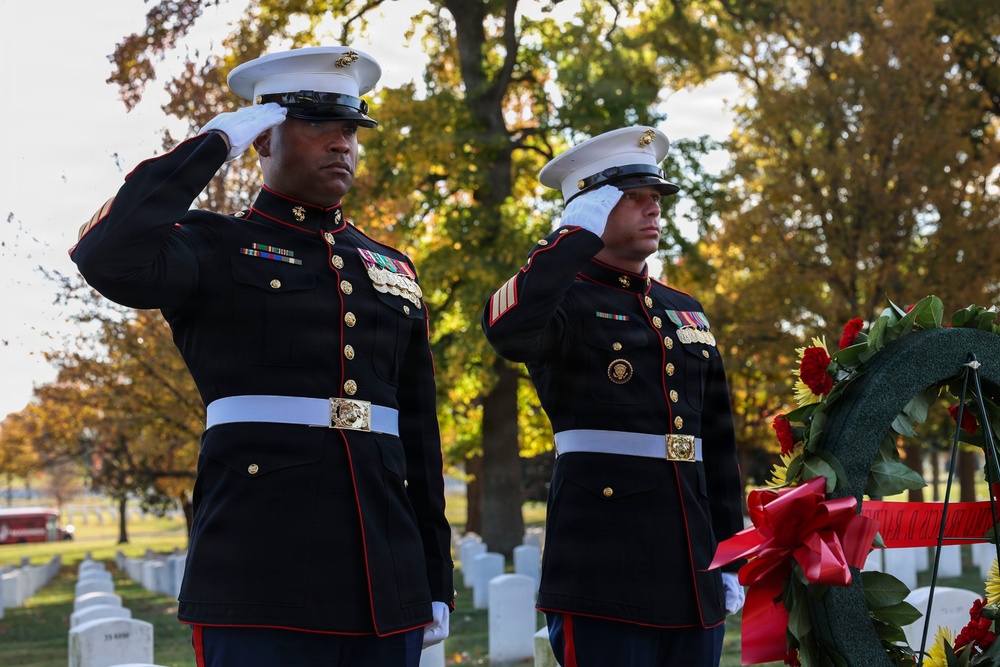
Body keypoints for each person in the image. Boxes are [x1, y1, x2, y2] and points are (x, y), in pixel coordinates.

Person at [71, 46, 454, 666]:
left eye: (351, 129)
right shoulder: (213, 243)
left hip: (387, 579)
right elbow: (103, 254)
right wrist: (213, 143)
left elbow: (419, 434)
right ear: (263, 140)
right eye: (316, 125)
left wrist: (435, 574)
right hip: (259, 574)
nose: (341, 143)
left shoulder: (389, 266)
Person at [481, 126, 746, 666]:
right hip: (602, 564)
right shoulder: (562, 299)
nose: (653, 210)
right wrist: (570, 238)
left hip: (693, 567)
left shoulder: (685, 309)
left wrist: (730, 553)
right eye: (633, 199)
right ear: (593, 207)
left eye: (656, 198)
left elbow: (716, 445)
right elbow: (505, 329)